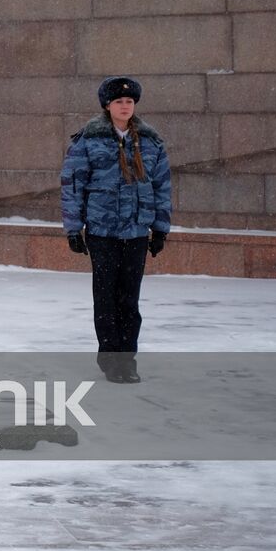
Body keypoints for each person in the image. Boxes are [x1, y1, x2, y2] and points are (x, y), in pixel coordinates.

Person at [60, 77, 172, 384]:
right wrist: (73, 228)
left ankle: (127, 359)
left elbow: (162, 186)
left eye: (129, 102)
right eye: (119, 102)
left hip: (136, 232)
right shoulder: (89, 139)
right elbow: (73, 185)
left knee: (129, 300)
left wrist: (160, 228)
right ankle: (110, 359)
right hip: (102, 232)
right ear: (107, 106)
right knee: (106, 298)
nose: (125, 106)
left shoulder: (150, 141)